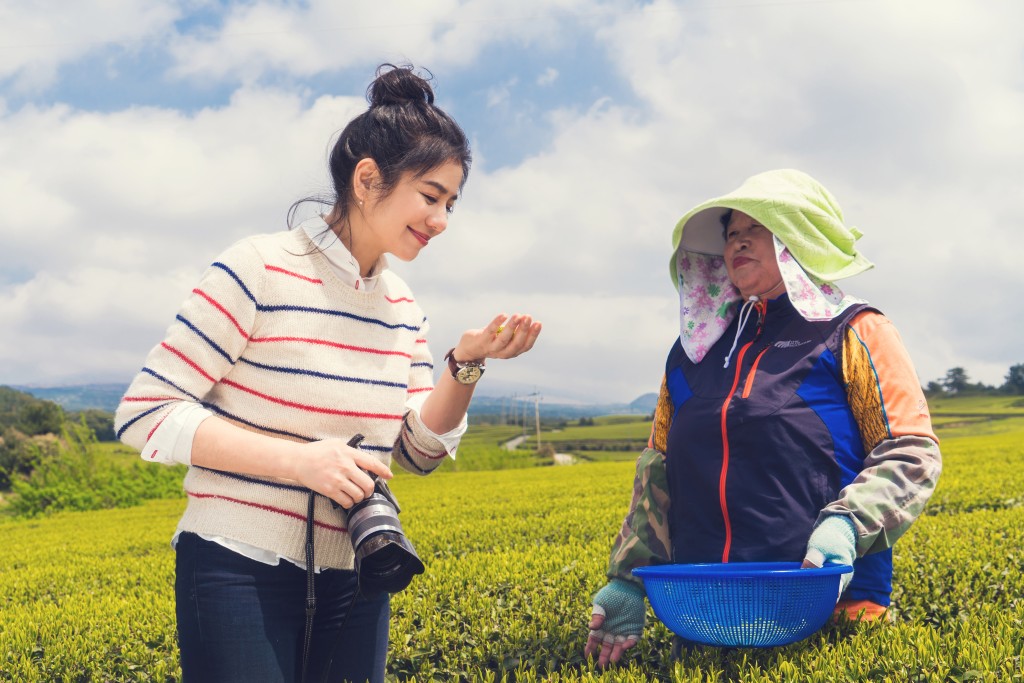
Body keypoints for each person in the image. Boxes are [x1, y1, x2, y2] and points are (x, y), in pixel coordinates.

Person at [114, 64, 542, 683]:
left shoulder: (402, 308)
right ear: (368, 179)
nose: (442, 220)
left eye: (451, 202)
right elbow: (145, 413)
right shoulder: (258, 268)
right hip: (238, 566)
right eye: (429, 196)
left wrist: (465, 365)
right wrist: (300, 461)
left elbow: (417, 454)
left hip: (359, 571)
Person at [584, 169, 941, 666]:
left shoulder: (855, 331)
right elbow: (658, 470)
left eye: (759, 229)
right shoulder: (692, 352)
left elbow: (911, 451)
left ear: (802, 239)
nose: (738, 242)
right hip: (706, 611)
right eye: (731, 232)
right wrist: (627, 580)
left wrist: (846, 526)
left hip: (831, 605)